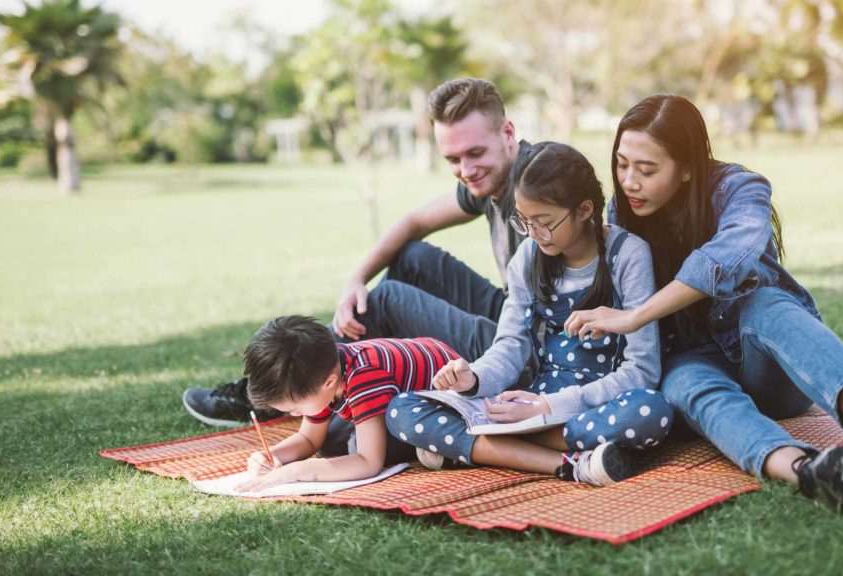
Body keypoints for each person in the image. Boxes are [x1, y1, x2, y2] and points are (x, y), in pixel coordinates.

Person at [563, 94, 843, 508]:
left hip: (771, 367)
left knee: (764, 304)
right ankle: (810, 471)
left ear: (686, 170)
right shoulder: (622, 216)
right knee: (680, 380)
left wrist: (633, 317)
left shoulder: (740, 190)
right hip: (694, 362)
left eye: (647, 169)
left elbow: (720, 261)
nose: (629, 181)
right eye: (622, 164)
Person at [183, 78, 535, 428]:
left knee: (385, 300)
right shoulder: (491, 178)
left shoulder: (540, 178)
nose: (466, 170)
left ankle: (286, 391)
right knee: (412, 258)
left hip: (529, 350)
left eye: (475, 153)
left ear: (507, 132)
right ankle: (351, 386)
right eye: (453, 158)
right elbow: (413, 222)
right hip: (512, 314)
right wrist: (356, 280)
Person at [386, 142, 673, 486]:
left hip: (592, 405)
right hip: (526, 405)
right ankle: (569, 463)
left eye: (544, 222)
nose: (534, 235)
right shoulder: (528, 257)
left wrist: (548, 407)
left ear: (584, 210)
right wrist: (472, 379)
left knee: (650, 411)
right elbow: (510, 346)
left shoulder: (628, 255)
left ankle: (485, 448)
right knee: (402, 409)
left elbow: (642, 369)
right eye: (524, 222)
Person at [235, 315, 459, 491]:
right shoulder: (324, 369)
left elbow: (369, 463)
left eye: (297, 409)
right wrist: (272, 456)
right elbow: (309, 439)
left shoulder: (364, 376)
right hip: (397, 392)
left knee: (354, 450)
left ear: (329, 383)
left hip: (450, 402)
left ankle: (438, 447)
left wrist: (296, 471)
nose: (295, 415)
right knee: (330, 444)